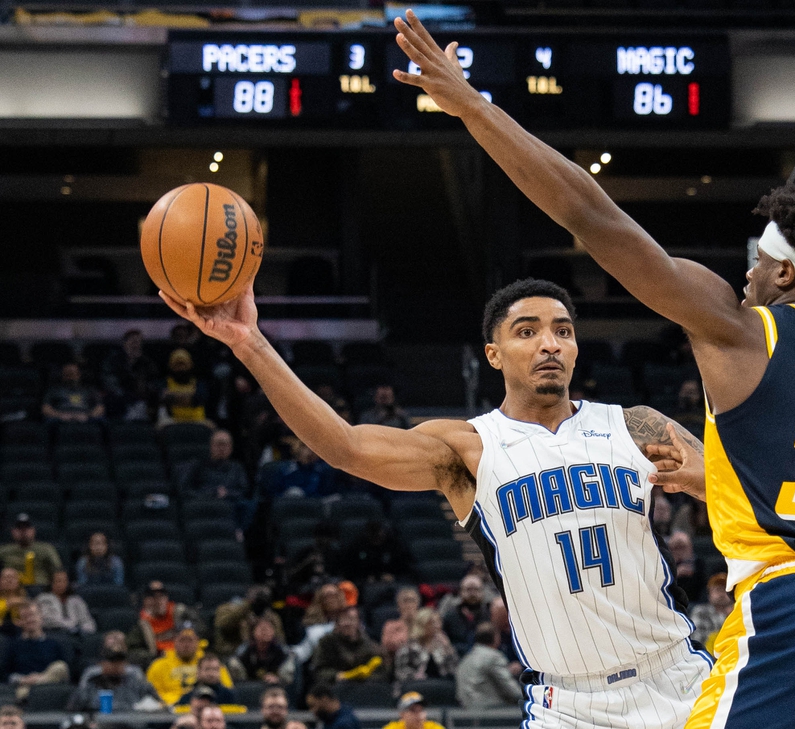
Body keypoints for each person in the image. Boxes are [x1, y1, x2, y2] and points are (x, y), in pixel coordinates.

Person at [390, 12, 795, 728]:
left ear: (780, 269)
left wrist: (473, 106)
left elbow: (591, 215)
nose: (744, 273)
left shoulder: (743, 327)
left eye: (755, 261)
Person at [162, 250, 712, 727]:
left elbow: (747, 499)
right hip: (569, 703)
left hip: (678, 679)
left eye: (562, 330)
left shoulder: (635, 425)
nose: (550, 343)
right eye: (528, 332)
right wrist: (249, 342)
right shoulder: (468, 448)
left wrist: (702, 480)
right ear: (493, 355)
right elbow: (346, 447)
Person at [146, 625, 232, 707]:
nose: (186, 645)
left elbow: (227, 688)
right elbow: (149, 694)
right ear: (174, 641)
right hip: (169, 712)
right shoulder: (158, 665)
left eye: (190, 640)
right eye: (182, 640)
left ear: (197, 641)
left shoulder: (210, 663)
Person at [67, 642, 162, 712]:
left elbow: (159, 703)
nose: (117, 665)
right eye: (112, 661)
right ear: (102, 663)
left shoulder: (135, 682)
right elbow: (72, 709)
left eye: (120, 661)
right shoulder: (91, 683)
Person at [0, 602, 69, 697]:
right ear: (19, 621)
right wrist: (23, 679)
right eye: (25, 617)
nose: (30, 619)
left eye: (32, 615)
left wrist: (39, 678)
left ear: (41, 616)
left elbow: (63, 671)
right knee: (21, 694)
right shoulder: (13, 646)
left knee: (60, 666)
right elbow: (5, 674)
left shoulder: (54, 644)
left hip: (51, 686)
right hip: (25, 687)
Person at [129, 581, 203, 662]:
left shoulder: (181, 612)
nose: (158, 601)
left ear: (166, 597)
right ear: (146, 601)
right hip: (157, 661)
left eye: (161, 596)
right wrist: (152, 657)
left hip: (186, 657)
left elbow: (201, 631)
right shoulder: (140, 622)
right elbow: (134, 649)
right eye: (153, 597)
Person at [456, 623, 524, 708]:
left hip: (466, 710)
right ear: (496, 638)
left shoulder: (466, 659)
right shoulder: (494, 657)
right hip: (490, 711)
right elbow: (513, 691)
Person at [312, 606, 384, 687]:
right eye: (343, 619)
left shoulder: (370, 644)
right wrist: (339, 676)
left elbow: (382, 671)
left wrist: (367, 676)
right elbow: (318, 670)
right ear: (337, 623)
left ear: (359, 623)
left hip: (364, 688)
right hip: (335, 687)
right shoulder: (326, 642)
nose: (347, 623)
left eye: (351, 619)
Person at [102, 328, 160, 421]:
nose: (135, 345)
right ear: (124, 343)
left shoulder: (147, 363)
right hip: (120, 401)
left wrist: (146, 391)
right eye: (132, 341)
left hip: (142, 401)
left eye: (138, 342)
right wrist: (126, 396)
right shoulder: (113, 361)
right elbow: (110, 383)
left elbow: (153, 382)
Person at [213, 585, 284, 658]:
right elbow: (223, 624)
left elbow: (280, 639)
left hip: (267, 654)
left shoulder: (271, 616)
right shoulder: (232, 610)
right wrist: (248, 605)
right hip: (235, 652)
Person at [179, 429, 248, 502]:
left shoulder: (237, 468)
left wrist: (228, 494)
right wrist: (211, 493)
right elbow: (187, 491)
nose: (222, 448)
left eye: (225, 444)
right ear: (211, 446)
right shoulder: (198, 467)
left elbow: (244, 491)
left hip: (231, 505)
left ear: (231, 448)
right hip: (204, 505)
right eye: (219, 444)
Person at [393, 608, 458, 684]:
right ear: (422, 625)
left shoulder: (443, 646)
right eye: (431, 622)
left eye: (438, 621)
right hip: (415, 686)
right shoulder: (409, 647)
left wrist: (448, 648)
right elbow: (401, 674)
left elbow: (454, 670)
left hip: (440, 685)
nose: (437, 626)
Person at [226, 616, 295, 686]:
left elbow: (288, 678)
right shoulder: (244, 650)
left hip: (275, 687)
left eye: (269, 628)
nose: (265, 632)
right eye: (262, 629)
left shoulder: (282, 650)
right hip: (249, 686)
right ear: (253, 632)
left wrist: (277, 679)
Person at [0, 514, 63, 588]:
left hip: (41, 588)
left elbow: (58, 570)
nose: (23, 531)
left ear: (33, 530)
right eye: (19, 528)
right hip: (11, 590)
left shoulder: (46, 549)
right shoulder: (4, 551)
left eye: (27, 528)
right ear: (13, 531)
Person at [440, 575, 489, 657]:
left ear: (482, 592)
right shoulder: (450, 616)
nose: (472, 593)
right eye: (468, 590)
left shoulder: (489, 614)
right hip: (457, 657)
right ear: (461, 592)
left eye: (476, 589)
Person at [159, 348, 209, 425]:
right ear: (171, 366)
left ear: (190, 365)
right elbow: (161, 398)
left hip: (198, 421)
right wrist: (189, 397)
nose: (181, 368)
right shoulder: (164, 383)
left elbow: (200, 398)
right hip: (172, 421)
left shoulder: (199, 384)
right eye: (177, 365)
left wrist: (173, 396)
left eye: (184, 364)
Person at [36, 570, 95, 635]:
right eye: (59, 581)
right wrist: (71, 626)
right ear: (51, 583)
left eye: (64, 581)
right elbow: (48, 621)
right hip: (53, 633)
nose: (62, 584)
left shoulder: (76, 600)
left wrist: (84, 630)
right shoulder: (42, 599)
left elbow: (86, 620)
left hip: (77, 635)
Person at [689, 573, 733, 651]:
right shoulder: (701, 611)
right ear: (709, 593)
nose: (721, 594)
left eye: (725, 590)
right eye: (718, 589)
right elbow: (697, 640)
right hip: (707, 658)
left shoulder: (737, 612)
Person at [0, 568, 27, 636]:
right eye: (5, 578)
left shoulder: (25, 599)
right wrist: (8, 604)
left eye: (13, 577)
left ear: (18, 581)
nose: (9, 580)